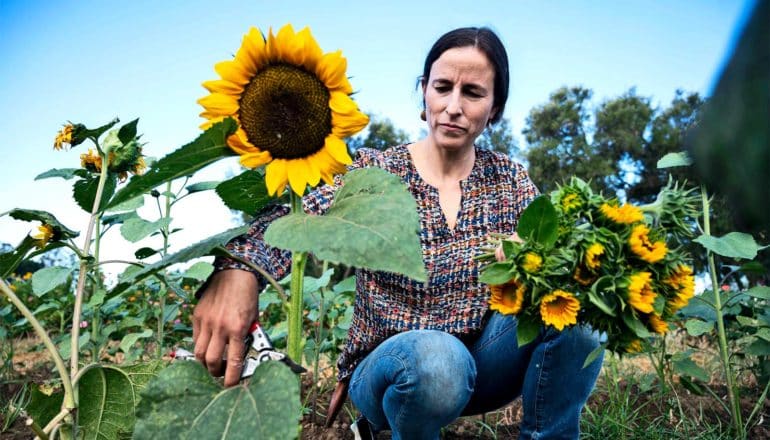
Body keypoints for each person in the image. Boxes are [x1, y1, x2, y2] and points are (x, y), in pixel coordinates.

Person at [192, 26, 603, 440]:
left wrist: (530, 264)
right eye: (443, 87)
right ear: (424, 93)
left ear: (494, 108)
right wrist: (238, 269)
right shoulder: (377, 172)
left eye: (474, 93)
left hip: (485, 365)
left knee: (581, 313)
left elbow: (554, 261)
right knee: (437, 361)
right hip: (393, 371)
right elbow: (297, 218)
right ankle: (383, 429)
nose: (453, 106)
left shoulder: (510, 181)